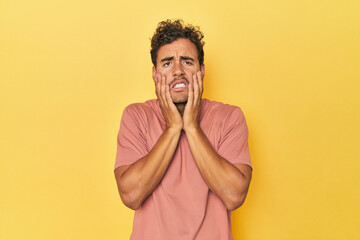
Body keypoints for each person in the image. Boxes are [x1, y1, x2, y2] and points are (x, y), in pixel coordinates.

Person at [114, 19, 252, 240]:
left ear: (201, 70)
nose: (178, 71)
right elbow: (131, 195)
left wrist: (192, 127)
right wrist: (172, 128)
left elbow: (234, 195)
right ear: (155, 73)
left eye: (187, 61)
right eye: (167, 63)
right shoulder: (136, 116)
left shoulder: (230, 118)